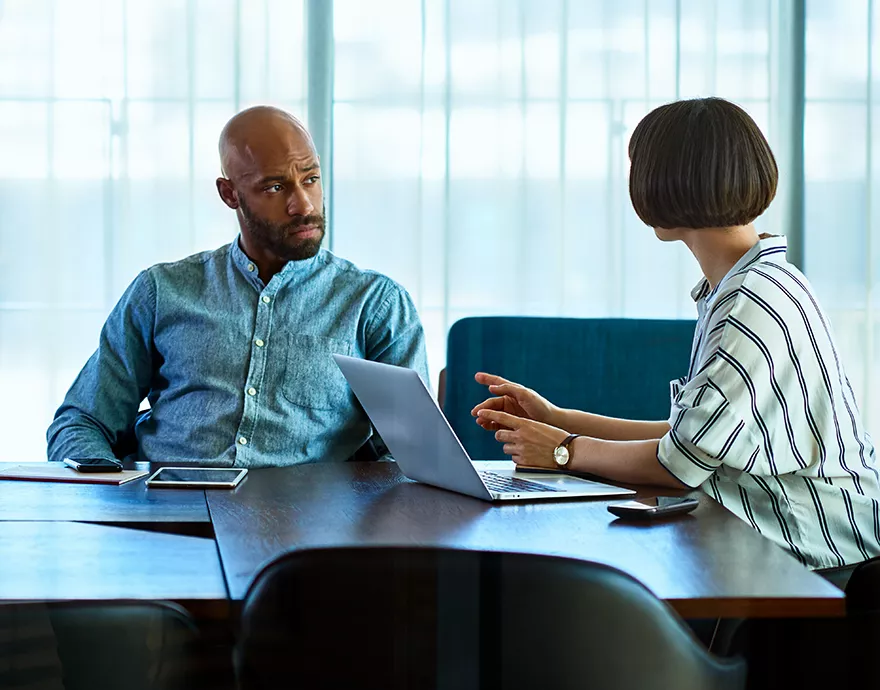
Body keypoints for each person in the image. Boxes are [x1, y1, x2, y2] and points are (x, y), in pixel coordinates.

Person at [472, 97, 880, 576]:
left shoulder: (752, 303)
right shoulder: (744, 285)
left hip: (816, 555)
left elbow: (677, 466)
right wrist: (560, 420)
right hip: (790, 537)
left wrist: (563, 450)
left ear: (672, 182)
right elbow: (691, 442)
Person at [47, 106, 429, 468]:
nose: (303, 205)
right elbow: (82, 422)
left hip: (308, 522)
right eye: (276, 187)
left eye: (311, 179)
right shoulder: (161, 291)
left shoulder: (376, 304)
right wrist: (106, 495)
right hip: (168, 514)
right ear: (230, 194)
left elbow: (416, 455)